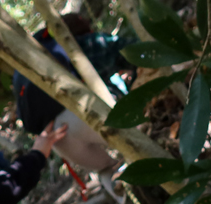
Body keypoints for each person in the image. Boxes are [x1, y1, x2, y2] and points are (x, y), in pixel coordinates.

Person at [13, 15, 132, 185]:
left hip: (57, 137)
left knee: (107, 170)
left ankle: (130, 203)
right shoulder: (86, 45)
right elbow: (131, 50)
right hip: (87, 114)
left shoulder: (42, 56)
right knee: (135, 140)